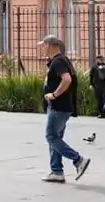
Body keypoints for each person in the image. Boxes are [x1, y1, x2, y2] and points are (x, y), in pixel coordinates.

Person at [38, 35, 90, 183]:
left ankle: (78, 160)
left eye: (43, 45)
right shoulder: (61, 60)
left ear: (50, 45)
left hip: (58, 107)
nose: (42, 48)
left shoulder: (58, 61)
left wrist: (54, 95)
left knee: (51, 137)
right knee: (55, 138)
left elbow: (67, 79)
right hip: (61, 107)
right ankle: (56, 171)